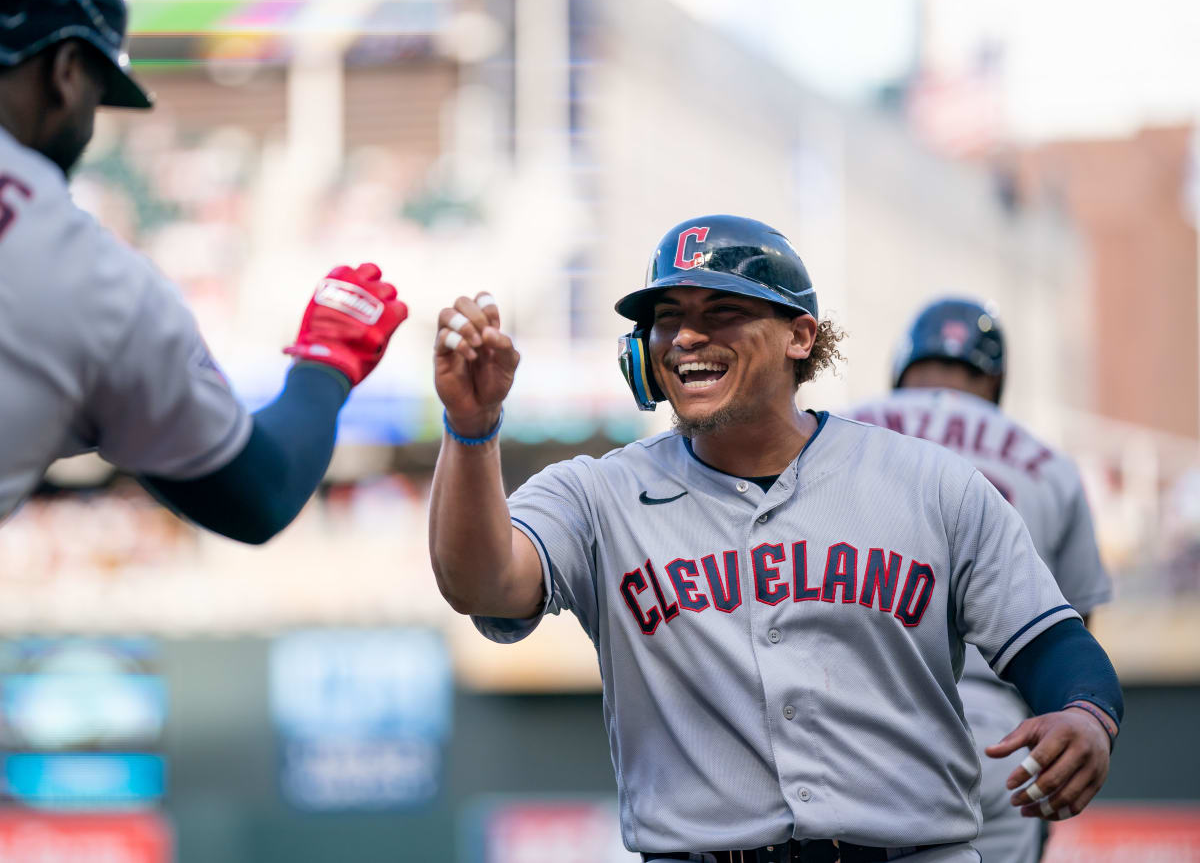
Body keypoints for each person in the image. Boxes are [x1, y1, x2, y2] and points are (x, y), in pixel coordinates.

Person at [428, 214, 1123, 863]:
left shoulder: (929, 482)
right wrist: (470, 429)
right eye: (668, 321)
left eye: (721, 313)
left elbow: (1055, 646)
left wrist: (1087, 715)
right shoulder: (594, 494)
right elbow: (482, 585)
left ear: (801, 337)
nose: (687, 338)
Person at [0, 0, 407, 540]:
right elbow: (259, 493)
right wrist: (328, 362)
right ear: (66, 74)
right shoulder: (92, 280)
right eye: (97, 93)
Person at [847, 298, 1113, 863]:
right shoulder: (1048, 462)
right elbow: (1068, 636)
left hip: (860, 727)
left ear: (904, 363)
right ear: (995, 375)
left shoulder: (836, 434)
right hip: (1000, 738)